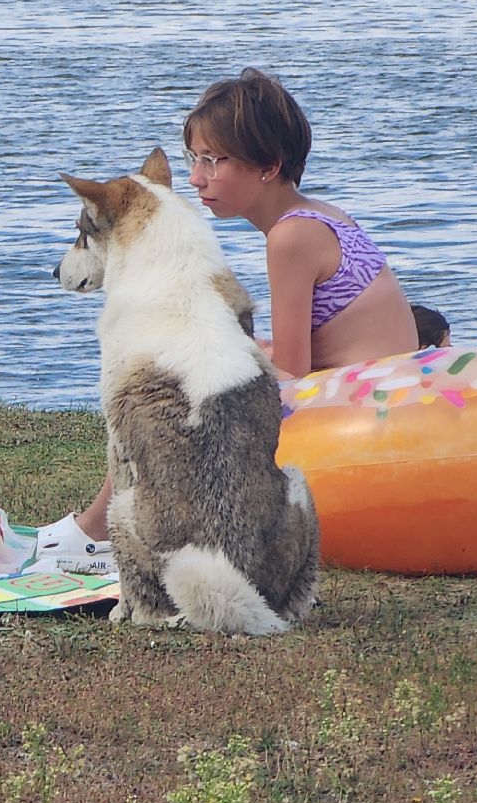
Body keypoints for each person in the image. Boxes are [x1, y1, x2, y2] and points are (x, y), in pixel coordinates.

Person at [36, 68, 418, 563]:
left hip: (359, 408)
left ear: (267, 166)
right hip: (384, 387)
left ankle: (96, 530)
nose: (196, 178)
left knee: (164, 386)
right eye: (194, 160)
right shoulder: (317, 214)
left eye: (214, 162)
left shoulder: (290, 238)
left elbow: (295, 373)